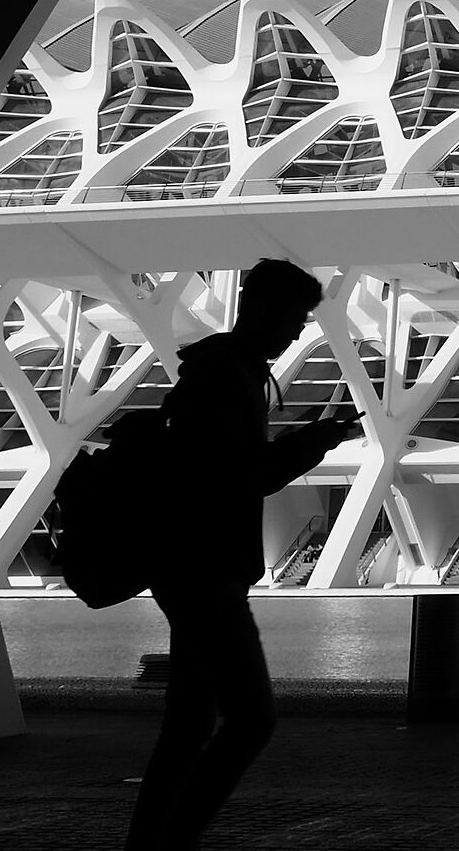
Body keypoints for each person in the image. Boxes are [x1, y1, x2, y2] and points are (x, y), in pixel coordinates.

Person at [128, 258, 355, 851]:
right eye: (297, 317)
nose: (299, 332)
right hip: (207, 567)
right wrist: (312, 442)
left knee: (189, 723)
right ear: (264, 309)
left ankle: (151, 846)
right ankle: (169, 845)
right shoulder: (229, 376)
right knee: (251, 720)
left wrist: (306, 442)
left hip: (189, 563)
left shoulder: (219, 368)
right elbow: (240, 477)